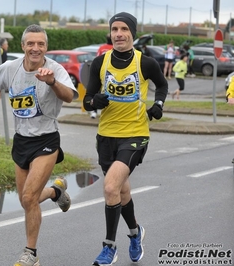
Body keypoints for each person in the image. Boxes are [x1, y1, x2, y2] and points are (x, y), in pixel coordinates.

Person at [0, 24, 79, 266]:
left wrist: (51, 83)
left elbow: (69, 96)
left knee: (29, 197)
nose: (35, 48)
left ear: (46, 47)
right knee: (27, 200)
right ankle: (56, 192)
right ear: (23, 46)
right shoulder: (10, 68)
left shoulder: (55, 69)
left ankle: (31, 254)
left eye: (40, 44)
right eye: (31, 43)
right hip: (21, 141)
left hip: (46, 140)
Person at [82, 12, 168, 265]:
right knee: (121, 191)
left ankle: (109, 247)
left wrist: (158, 105)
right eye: (114, 29)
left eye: (123, 29)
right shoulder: (100, 63)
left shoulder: (145, 63)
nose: (118, 34)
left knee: (110, 188)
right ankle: (135, 233)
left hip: (135, 134)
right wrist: (93, 101)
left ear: (132, 33)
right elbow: (87, 100)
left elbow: (162, 85)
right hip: (106, 136)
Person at [91, 34, 115, 119]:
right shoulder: (103, 47)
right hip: (102, 72)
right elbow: (97, 59)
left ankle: (99, 111)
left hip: (111, 74)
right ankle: (94, 111)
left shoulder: (112, 47)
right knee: (97, 92)